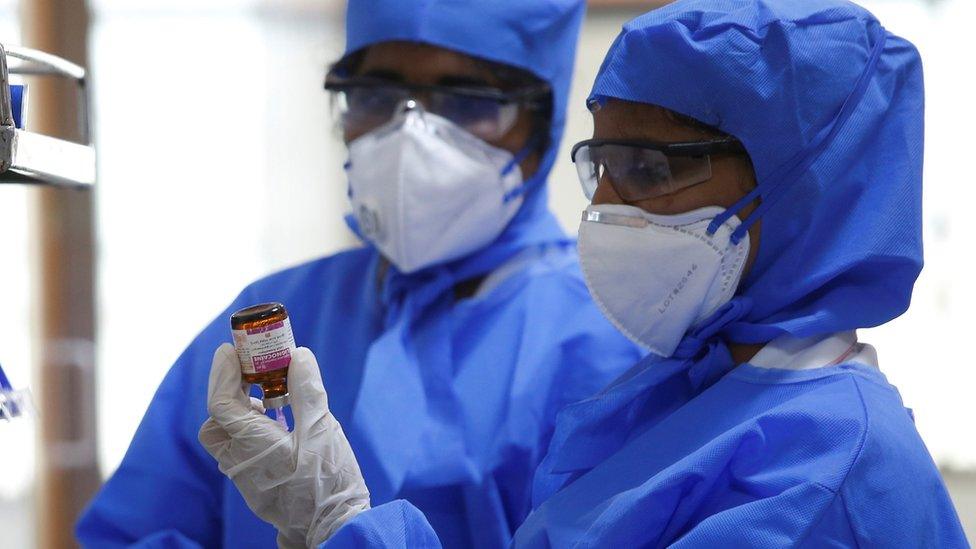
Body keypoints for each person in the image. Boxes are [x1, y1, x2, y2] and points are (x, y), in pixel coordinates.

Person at [197, 0, 971, 546]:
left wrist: (340, 520)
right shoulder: (679, 399)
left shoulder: (819, 480)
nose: (604, 209)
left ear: (804, 189)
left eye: (648, 168)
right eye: (601, 166)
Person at [75, 0, 643, 547]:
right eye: (376, 94)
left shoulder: (614, 339)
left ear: (541, 127)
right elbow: (139, 531)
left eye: (467, 101)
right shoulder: (271, 318)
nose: (410, 134)